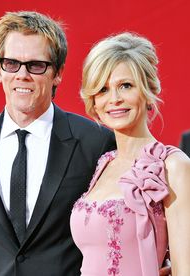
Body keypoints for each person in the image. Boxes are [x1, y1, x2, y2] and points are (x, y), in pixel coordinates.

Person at [0, 11, 117, 275]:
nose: (22, 75)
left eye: (36, 65)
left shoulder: (95, 142)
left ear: (58, 73)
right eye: (11, 64)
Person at [70, 32, 190, 275]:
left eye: (125, 86)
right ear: (93, 101)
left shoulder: (173, 165)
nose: (114, 99)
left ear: (147, 91)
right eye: (103, 89)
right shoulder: (104, 163)